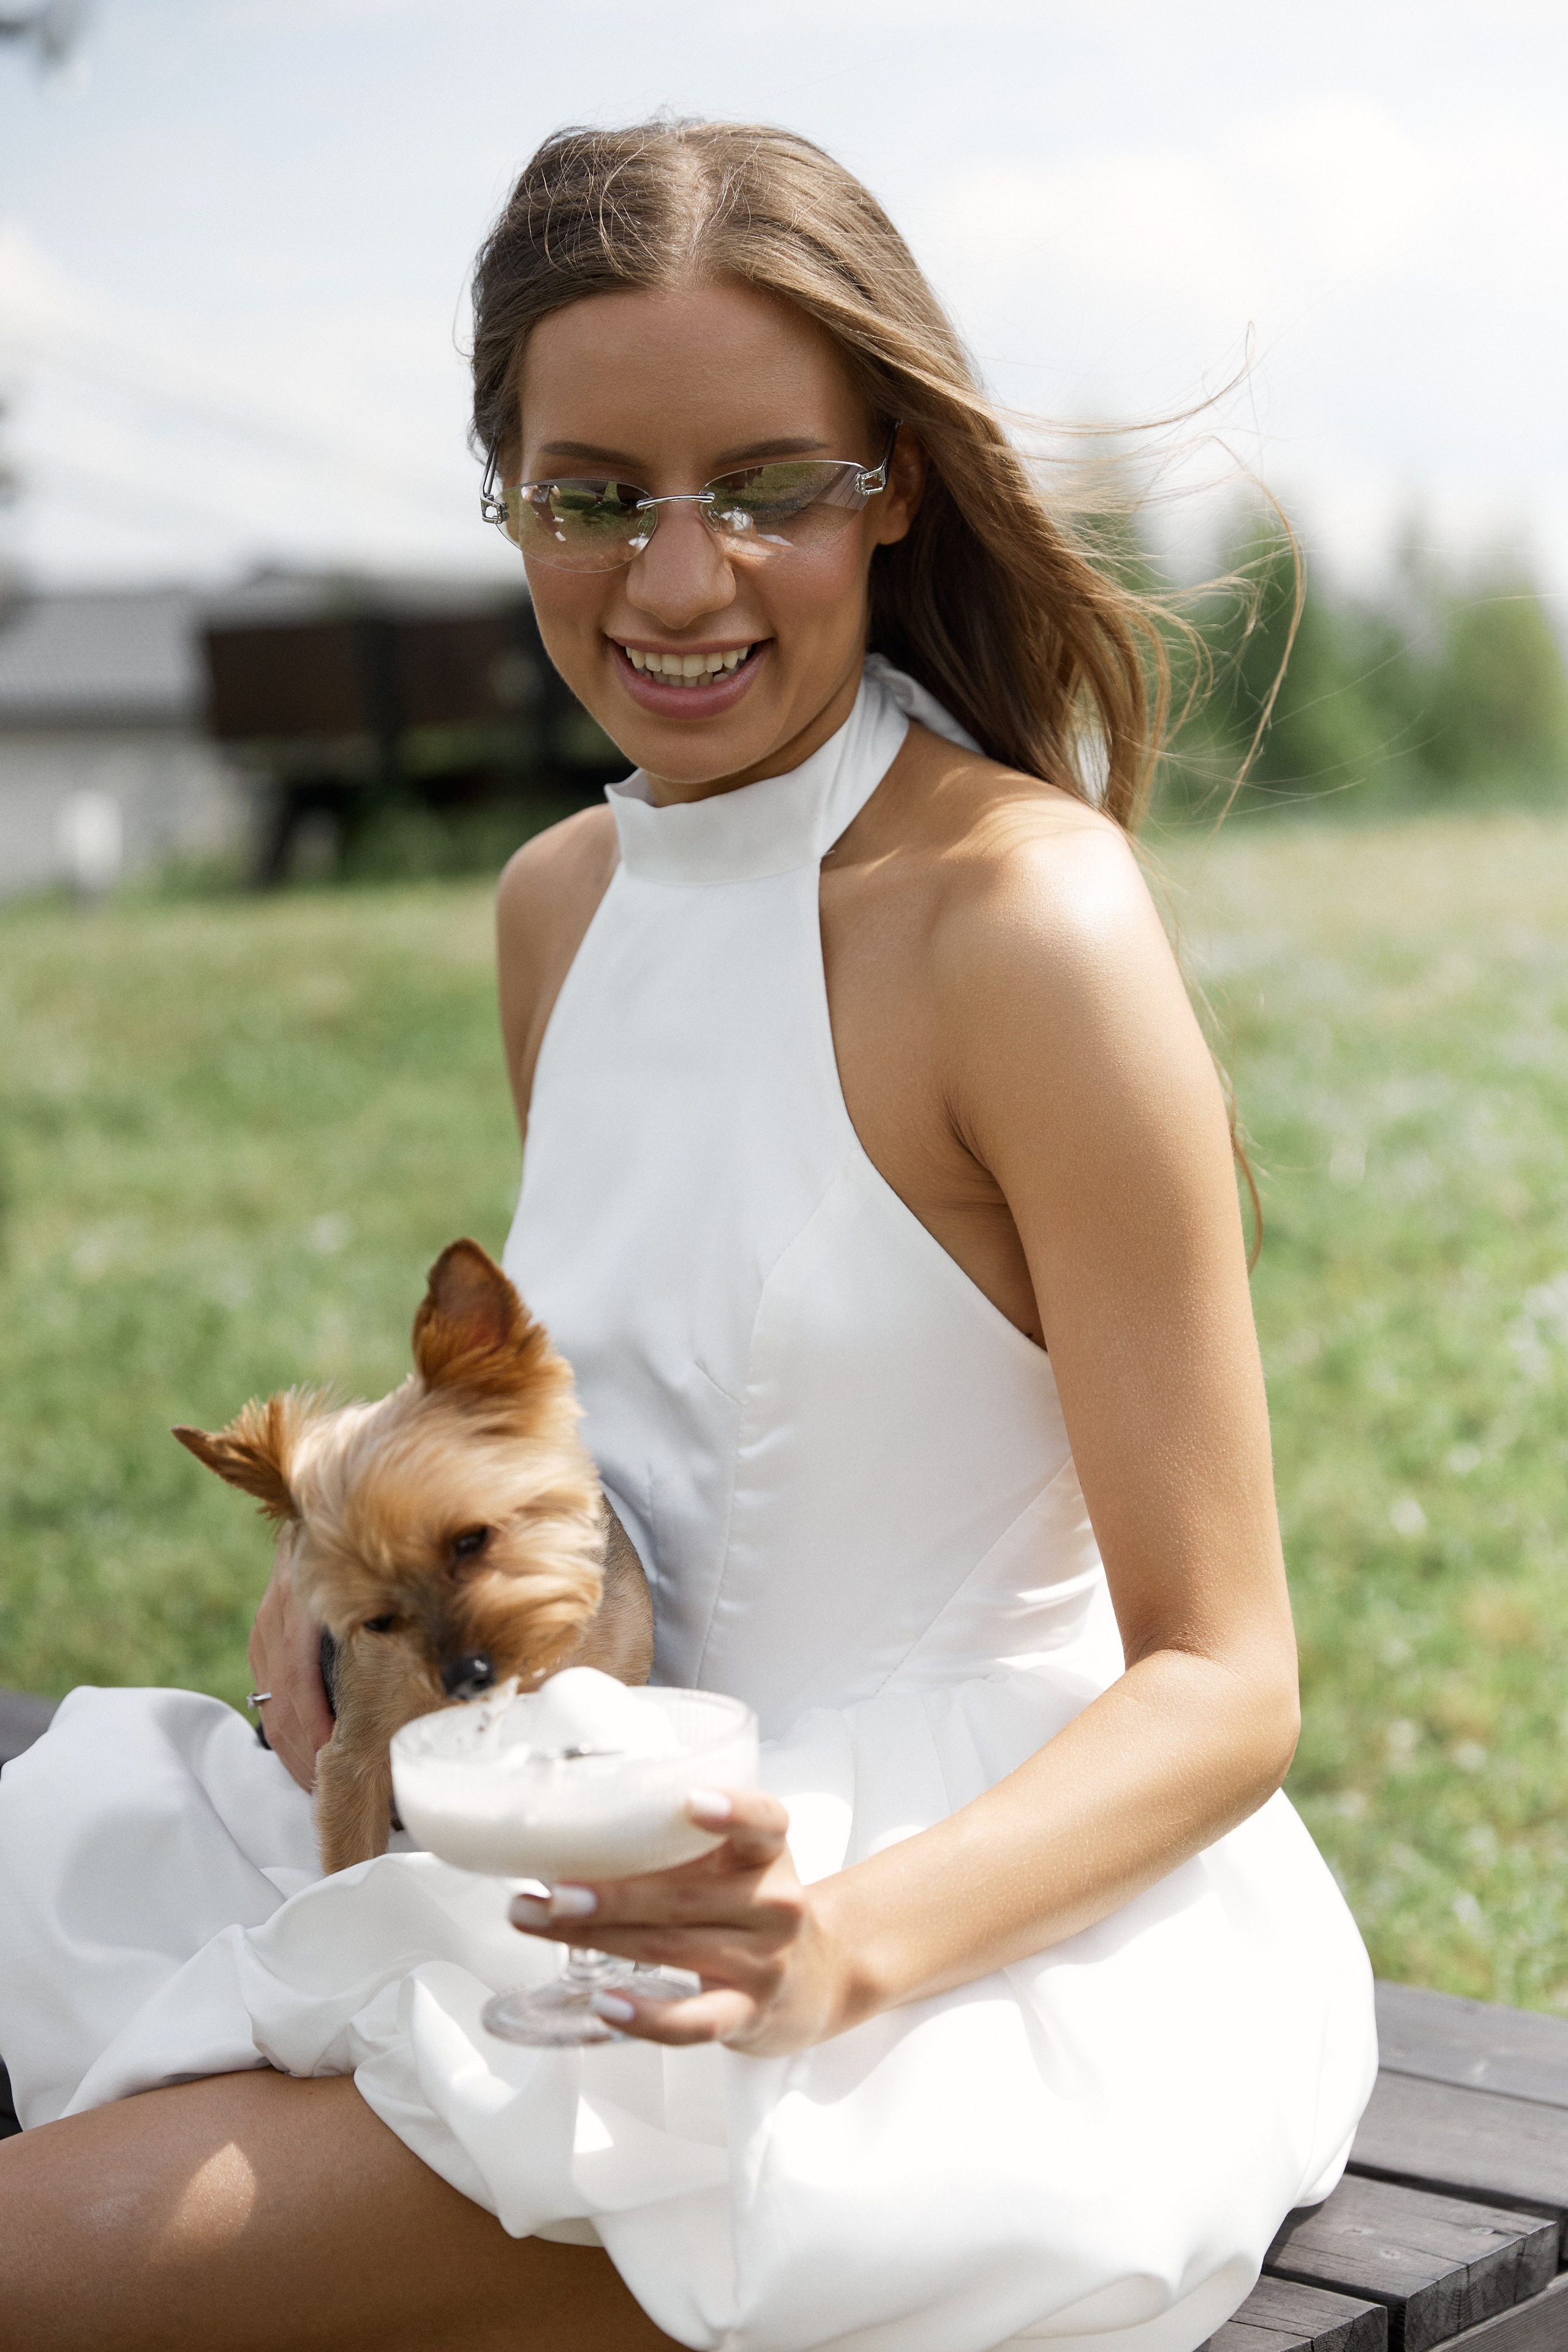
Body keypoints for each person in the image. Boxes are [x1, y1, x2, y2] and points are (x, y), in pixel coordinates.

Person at [0, 119, 1375, 2352]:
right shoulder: (563, 902)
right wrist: (356, 1555)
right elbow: (618, 1428)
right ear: (509, 497)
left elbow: (1228, 1684)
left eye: (766, 484)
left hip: (948, 1963)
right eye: (594, 496)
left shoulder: (1022, 924)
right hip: (563, 1826)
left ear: (894, 481)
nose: (674, 579)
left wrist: (835, 1949)